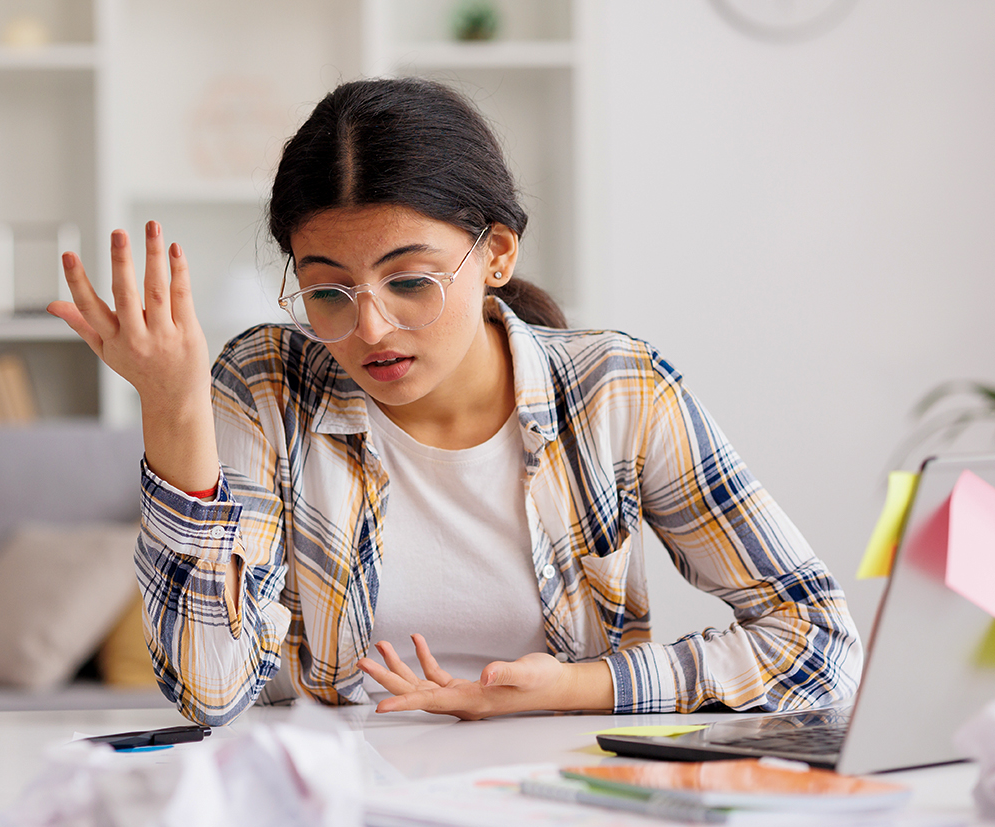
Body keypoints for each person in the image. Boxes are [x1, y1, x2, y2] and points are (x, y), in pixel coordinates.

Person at [49, 77, 863, 726]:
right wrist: (176, 409)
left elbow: (820, 643)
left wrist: (577, 688)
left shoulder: (619, 391)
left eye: (410, 280)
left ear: (498, 253)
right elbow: (208, 691)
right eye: (328, 289)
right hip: (342, 803)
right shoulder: (267, 384)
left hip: (568, 789)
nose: (369, 328)